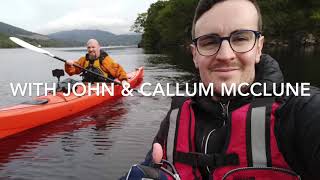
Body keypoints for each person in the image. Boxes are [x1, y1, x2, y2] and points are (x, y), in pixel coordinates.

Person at [125, 0, 320, 179]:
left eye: (241, 38)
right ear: (194, 55)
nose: (225, 55)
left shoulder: (301, 110)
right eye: (210, 42)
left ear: (259, 47)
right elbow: (154, 164)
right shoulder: (176, 116)